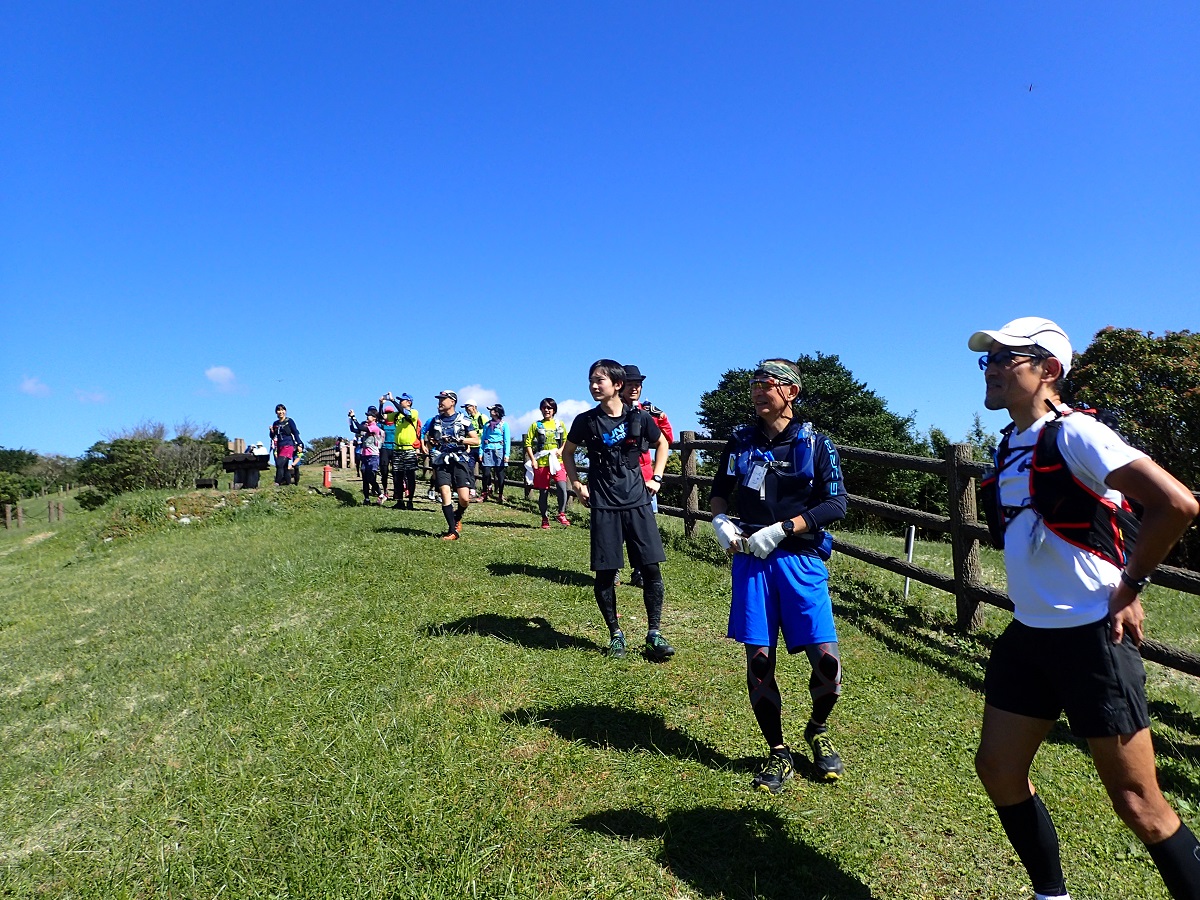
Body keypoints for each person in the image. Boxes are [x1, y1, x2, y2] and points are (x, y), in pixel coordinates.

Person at [968, 317, 1200, 900]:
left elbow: (1176, 504)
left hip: (1092, 637)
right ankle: (1052, 894)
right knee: (998, 769)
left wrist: (1131, 586)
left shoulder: (1077, 434)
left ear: (1048, 369)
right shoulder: (1010, 444)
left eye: (1005, 358)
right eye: (987, 359)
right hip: (1029, 635)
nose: (990, 369)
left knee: (1138, 803)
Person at [708, 358, 849, 794]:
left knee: (828, 665)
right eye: (754, 383)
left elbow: (836, 504)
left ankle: (817, 728)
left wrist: (785, 528)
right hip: (752, 562)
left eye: (767, 383)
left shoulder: (816, 444)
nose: (757, 390)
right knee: (759, 662)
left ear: (791, 391)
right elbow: (719, 491)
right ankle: (778, 751)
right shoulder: (740, 442)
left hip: (801, 560)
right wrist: (720, 521)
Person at [563, 360, 675, 662]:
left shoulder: (639, 417)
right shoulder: (586, 421)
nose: (594, 386)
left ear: (617, 384)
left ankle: (654, 634)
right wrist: (577, 484)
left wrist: (657, 477)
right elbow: (568, 453)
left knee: (651, 569)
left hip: (638, 501)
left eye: (600, 380)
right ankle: (616, 635)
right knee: (605, 573)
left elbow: (662, 443)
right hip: (604, 504)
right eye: (591, 380)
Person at [619, 363, 674, 586]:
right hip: (620, 476)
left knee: (643, 528)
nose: (634, 388)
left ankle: (640, 571)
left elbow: (667, 439)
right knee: (619, 526)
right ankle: (614, 568)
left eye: (638, 384)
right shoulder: (612, 412)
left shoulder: (647, 412)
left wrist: (661, 418)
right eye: (630, 384)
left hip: (645, 475)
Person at [421, 390, 480, 540]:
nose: (440, 402)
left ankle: (457, 516)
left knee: (464, 498)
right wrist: (432, 443)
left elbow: (476, 440)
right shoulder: (435, 421)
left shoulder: (463, 419)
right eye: (439, 400)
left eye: (443, 399)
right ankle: (452, 531)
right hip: (441, 460)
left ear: (452, 402)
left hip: (459, 459)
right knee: (445, 492)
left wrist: (460, 440)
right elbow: (430, 440)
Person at [525, 398, 570, 529]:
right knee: (543, 491)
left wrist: (561, 450)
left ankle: (561, 513)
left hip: (557, 461)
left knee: (562, 487)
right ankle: (544, 518)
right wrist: (533, 460)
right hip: (542, 462)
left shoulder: (560, 424)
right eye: (544, 407)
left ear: (554, 410)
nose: (547, 410)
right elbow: (528, 443)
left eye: (549, 408)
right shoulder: (536, 425)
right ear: (541, 409)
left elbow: (566, 439)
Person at [390, 392, 421, 509]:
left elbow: (406, 413)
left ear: (409, 402)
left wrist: (392, 401)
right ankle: (400, 501)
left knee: (410, 476)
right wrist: (381, 404)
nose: (400, 402)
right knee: (397, 476)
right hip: (397, 449)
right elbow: (382, 417)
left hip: (409, 449)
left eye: (402, 400)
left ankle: (410, 500)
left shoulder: (414, 412)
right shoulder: (397, 414)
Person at [348, 407, 384, 504]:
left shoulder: (374, 428)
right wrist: (350, 419)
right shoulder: (367, 427)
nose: (367, 417)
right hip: (364, 455)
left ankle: (381, 494)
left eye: (369, 416)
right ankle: (366, 499)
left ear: (374, 418)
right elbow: (353, 429)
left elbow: (360, 427)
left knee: (370, 478)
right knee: (365, 479)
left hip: (373, 456)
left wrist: (354, 417)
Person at [478, 404, 510, 503]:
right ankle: (484, 493)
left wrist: (507, 454)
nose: (490, 412)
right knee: (486, 473)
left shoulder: (504, 425)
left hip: (499, 450)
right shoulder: (487, 425)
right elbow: (483, 439)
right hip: (487, 449)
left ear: (497, 412)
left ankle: (500, 494)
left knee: (500, 473)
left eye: (492, 410)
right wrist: (480, 452)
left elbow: (507, 440)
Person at [269, 404, 303, 487]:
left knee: (279, 464)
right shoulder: (275, 423)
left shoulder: (289, 421)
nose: (281, 412)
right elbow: (273, 436)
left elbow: (295, 432)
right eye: (279, 410)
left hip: (288, 445)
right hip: (280, 446)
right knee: (284, 467)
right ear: (276, 412)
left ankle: (277, 482)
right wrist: (271, 431)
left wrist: (299, 444)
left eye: (282, 410)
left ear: (285, 411)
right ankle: (288, 484)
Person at [376, 394, 400, 503]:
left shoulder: (397, 424)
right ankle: (385, 490)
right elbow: (379, 416)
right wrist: (381, 405)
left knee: (395, 472)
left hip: (394, 448)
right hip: (384, 448)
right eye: (387, 413)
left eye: (390, 413)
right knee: (384, 471)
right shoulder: (381, 425)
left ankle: (396, 491)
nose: (388, 415)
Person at [464, 402, 486, 497]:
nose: (466, 409)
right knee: (469, 469)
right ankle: (472, 489)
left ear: (473, 407)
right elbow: (465, 434)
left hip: (481, 447)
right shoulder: (467, 419)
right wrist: (468, 446)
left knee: (485, 470)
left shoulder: (482, 417)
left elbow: (487, 430)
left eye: (467, 407)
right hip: (471, 448)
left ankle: (486, 490)